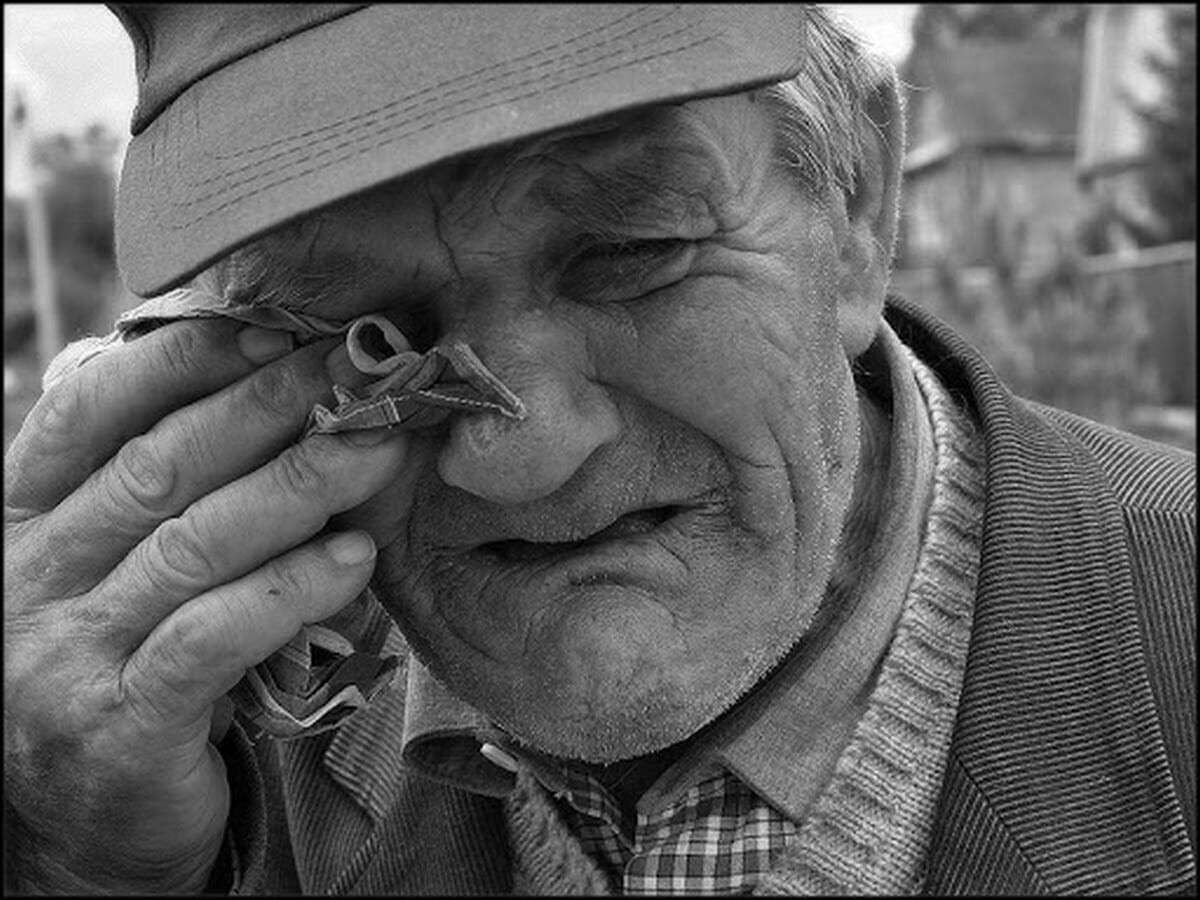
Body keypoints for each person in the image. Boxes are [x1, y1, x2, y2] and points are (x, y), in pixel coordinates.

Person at [4, 5, 1194, 895]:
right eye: (369, 342)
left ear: (858, 207)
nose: (521, 459)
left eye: (630, 252)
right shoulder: (177, 769)